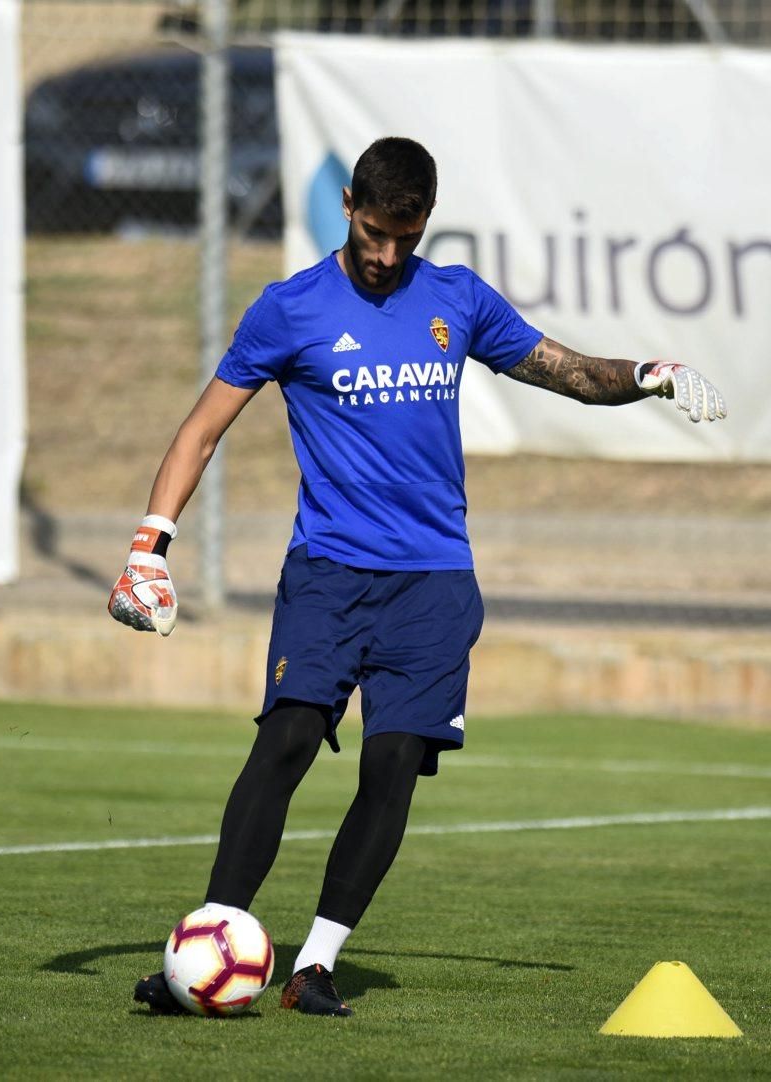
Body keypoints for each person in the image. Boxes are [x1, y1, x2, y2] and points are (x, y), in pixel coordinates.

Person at [109, 137, 727, 1017]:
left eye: (404, 238)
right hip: (326, 573)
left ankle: (314, 968)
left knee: (393, 761)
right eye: (372, 232)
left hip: (434, 582)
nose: (386, 254)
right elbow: (201, 428)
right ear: (350, 204)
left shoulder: (456, 298)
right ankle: (206, 946)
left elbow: (574, 374)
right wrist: (149, 545)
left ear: (423, 222)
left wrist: (650, 374)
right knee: (286, 738)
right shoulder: (290, 309)